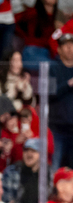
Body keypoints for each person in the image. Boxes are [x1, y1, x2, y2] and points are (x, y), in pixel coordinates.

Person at [2, 136, 45, 203]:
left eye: (33, 151)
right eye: (26, 150)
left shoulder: (48, 174)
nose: (29, 154)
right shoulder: (12, 172)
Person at [50, 33, 73, 169]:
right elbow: (49, 93)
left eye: (72, 45)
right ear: (59, 49)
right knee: (54, 168)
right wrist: (68, 84)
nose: (70, 48)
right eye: (66, 45)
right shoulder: (52, 68)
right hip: (57, 129)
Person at [15, 0, 59, 69]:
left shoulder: (59, 15)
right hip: (33, 50)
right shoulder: (33, 12)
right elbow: (14, 21)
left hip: (49, 51)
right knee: (53, 67)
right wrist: (24, 36)